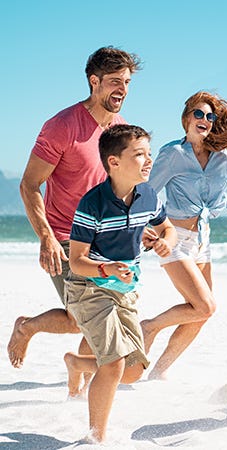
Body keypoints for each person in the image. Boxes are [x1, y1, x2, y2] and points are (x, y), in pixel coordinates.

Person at [8, 46, 142, 371]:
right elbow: (29, 185)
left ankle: (76, 374)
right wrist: (46, 238)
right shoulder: (62, 126)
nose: (121, 89)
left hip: (105, 240)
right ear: (94, 82)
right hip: (67, 239)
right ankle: (29, 330)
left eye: (126, 82)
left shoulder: (120, 128)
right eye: (114, 81)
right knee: (87, 318)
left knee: (92, 316)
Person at [141, 91, 227, 379]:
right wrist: (148, 226)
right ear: (187, 118)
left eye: (209, 116)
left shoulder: (222, 160)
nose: (204, 120)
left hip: (202, 241)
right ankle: (149, 327)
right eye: (198, 114)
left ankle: (159, 371)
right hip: (174, 237)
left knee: (203, 313)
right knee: (204, 305)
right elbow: (146, 191)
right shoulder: (172, 154)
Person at [63, 124, 177, 443]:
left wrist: (166, 241)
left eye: (149, 154)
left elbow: (166, 228)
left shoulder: (149, 195)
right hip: (89, 287)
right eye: (139, 154)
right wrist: (108, 268)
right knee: (113, 365)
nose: (148, 160)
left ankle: (77, 363)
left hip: (126, 290)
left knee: (133, 370)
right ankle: (95, 439)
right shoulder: (92, 204)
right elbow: (76, 261)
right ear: (114, 162)